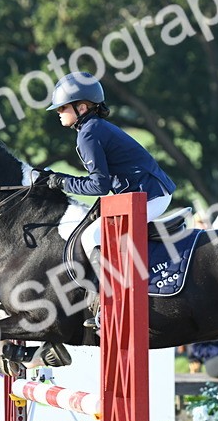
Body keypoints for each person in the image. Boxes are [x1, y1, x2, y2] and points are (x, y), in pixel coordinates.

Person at [35, 71, 176, 328]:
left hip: (149, 195)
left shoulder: (88, 133)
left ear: (82, 107)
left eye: (63, 107)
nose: (58, 112)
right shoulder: (93, 128)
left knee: (92, 237)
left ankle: (108, 305)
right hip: (142, 193)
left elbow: (98, 185)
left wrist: (61, 181)